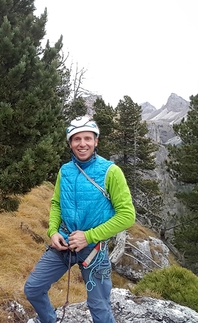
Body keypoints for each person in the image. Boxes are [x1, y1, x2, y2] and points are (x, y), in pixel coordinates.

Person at [24, 116, 135, 323]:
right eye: (76, 139)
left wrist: (89, 236)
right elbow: (56, 203)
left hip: (94, 249)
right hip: (64, 244)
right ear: (70, 143)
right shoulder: (65, 171)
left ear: (96, 141)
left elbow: (127, 215)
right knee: (33, 288)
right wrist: (53, 231)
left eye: (87, 138)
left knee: (99, 306)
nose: (82, 144)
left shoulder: (111, 172)